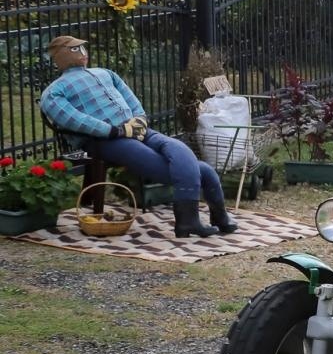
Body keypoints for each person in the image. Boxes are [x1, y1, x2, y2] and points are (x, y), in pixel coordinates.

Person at [39, 35, 235, 238]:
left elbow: (131, 99)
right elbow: (74, 119)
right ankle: (188, 221)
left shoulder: (105, 73)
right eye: (75, 50)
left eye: (83, 49)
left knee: (177, 148)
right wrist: (115, 131)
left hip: (137, 130)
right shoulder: (53, 92)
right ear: (62, 56)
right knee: (173, 168)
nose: (83, 54)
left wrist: (140, 119)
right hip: (106, 141)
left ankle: (215, 217)